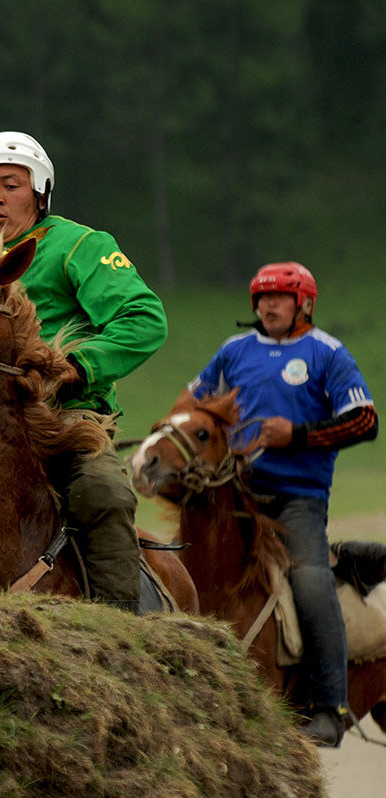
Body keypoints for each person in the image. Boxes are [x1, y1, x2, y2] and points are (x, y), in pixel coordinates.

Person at [0, 132, 168, 613]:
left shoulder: (80, 245)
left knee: (104, 492)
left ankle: (123, 626)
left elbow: (143, 318)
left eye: (11, 184)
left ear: (39, 192)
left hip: (66, 419)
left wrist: (74, 366)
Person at [189, 262, 378, 747]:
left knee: (311, 583)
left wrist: (296, 434)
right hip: (234, 494)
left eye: (280, 297)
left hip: (297, 501)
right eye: (261, 297)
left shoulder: (327, 353)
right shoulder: (234, 351)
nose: (268, 305)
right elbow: (194, 406)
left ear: (304, 303)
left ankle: (330, 707)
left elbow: (364, 420)